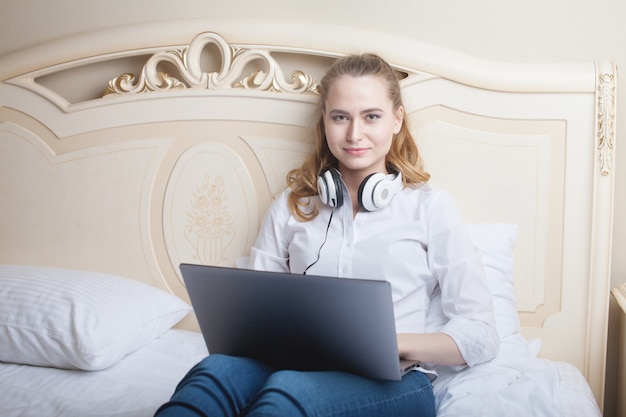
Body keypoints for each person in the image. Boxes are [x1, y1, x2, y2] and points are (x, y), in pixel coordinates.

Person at [155, 53, 499, 417]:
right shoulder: (291, 206)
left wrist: (387, 345)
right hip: (296, 368)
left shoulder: (430, 208)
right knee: (214, 373)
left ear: (397, 120)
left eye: (372, 116)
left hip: (397, 383)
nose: (354, 134)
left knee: (287, 393)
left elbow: (482, 334)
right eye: (340, 117)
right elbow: (251, 319)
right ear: (325, 121)